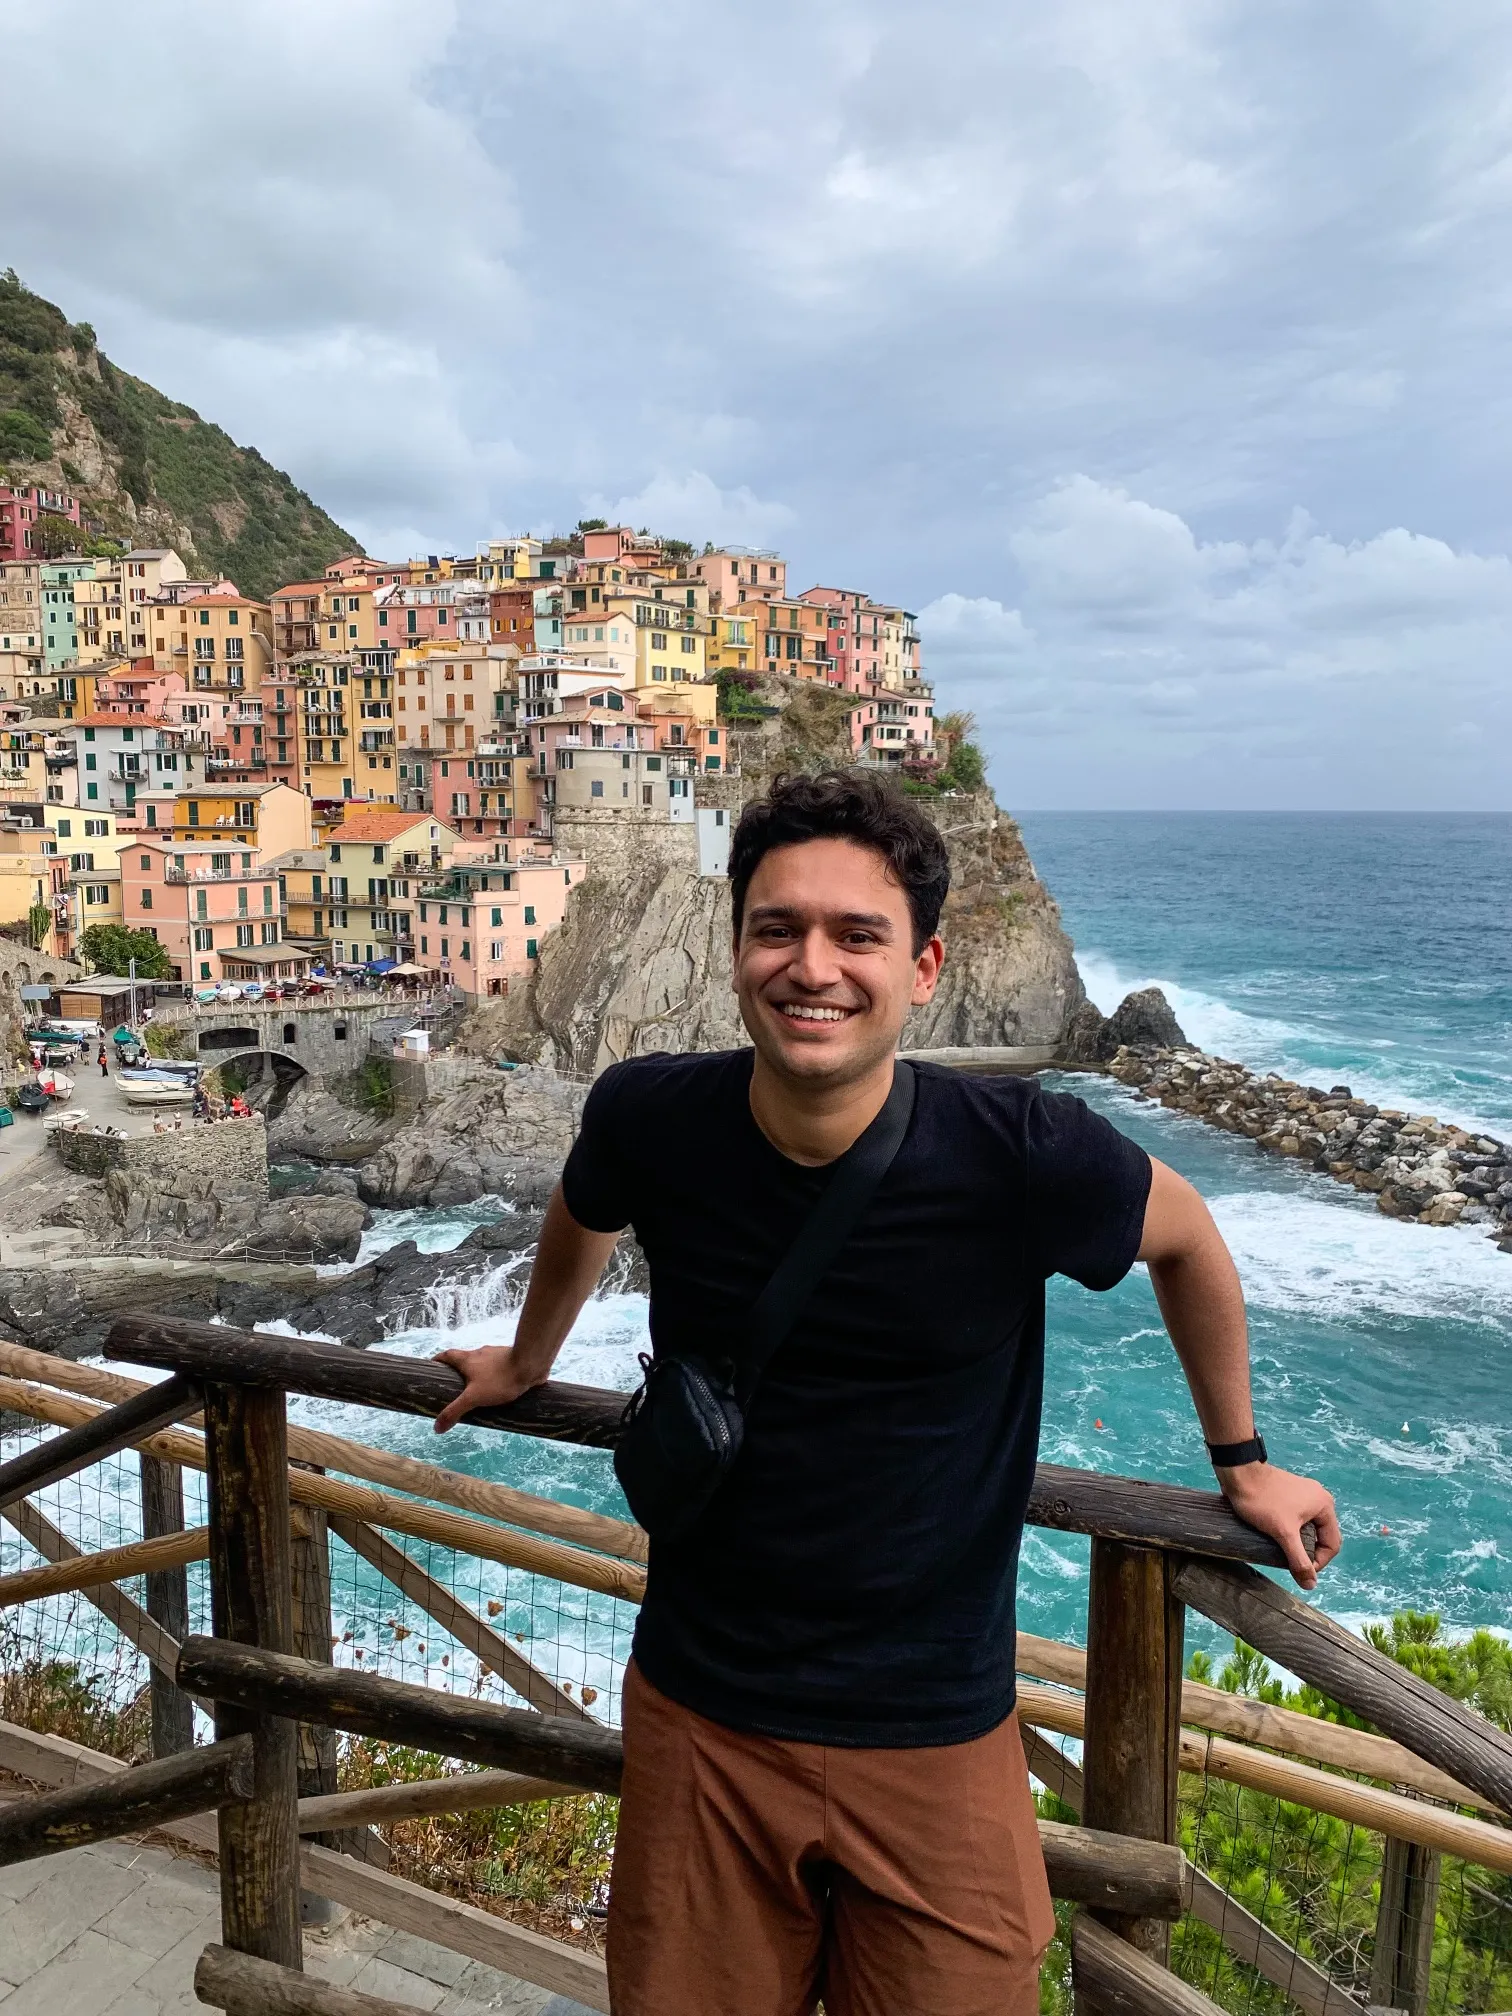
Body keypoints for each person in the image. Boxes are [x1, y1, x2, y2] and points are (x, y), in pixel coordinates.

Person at [432, 769, 1342, 2016]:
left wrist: (1239, 1458)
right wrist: (527, 1362)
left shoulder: (1019, 1151)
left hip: (936, 1733)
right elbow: (584, 1206)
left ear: (923, 969)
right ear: (737, 948)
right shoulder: (652, 1114)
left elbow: (1188, 1239)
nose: (815, 966)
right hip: (704, 1716)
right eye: (779, 929)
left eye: (859, 935)